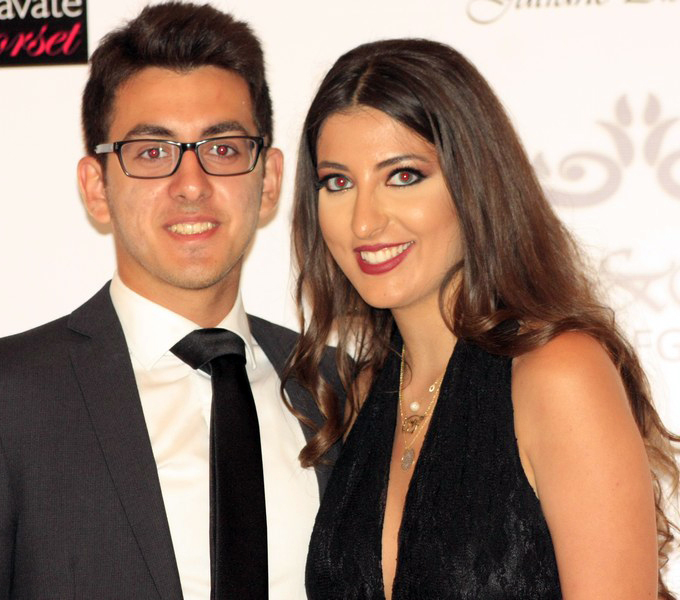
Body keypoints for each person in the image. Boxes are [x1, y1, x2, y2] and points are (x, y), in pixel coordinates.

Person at [0, 3, 340, 599]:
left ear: (269, 180)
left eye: (224, 149)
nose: (191, 185)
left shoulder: (342, 388)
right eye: (152, 153)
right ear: (96, 188)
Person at [286, 38, 679, 599]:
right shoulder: (363, 394)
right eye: (338, 182)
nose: (364, 221)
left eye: (403, 176)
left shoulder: (557, 375)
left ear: (472, 183)